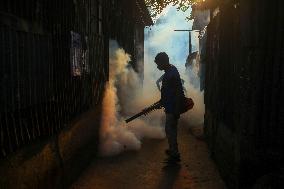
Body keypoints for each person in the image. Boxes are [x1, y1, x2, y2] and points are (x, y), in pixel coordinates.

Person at [154, 52, 185, 163]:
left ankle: (174, 154)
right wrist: (161, 102)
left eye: (158, 63)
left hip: (173, 107)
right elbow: (168, 92)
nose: (157, 66)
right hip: (170, 106)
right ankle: (173, 150)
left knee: (170, 129)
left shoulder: (171, 73)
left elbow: (177, 92)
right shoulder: (170, 71)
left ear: (163, 62)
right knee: (171, 130)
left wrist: (176, 109)